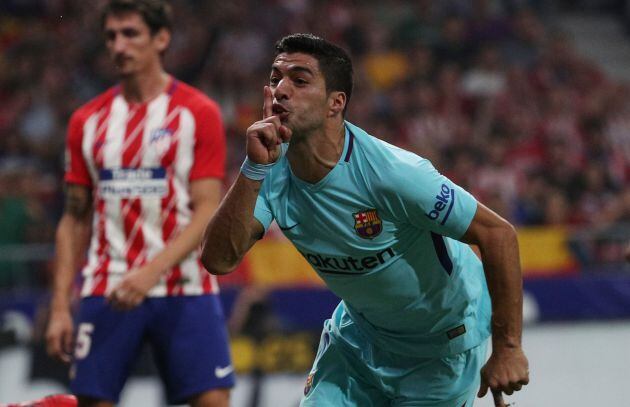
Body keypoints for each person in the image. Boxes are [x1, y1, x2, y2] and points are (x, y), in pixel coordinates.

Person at [201, 33, 529, 407]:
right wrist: (253, 168)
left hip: (440, 349)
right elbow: (218, 260)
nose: (281, 90)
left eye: (300, 80)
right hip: (359, 341)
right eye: (275, 78)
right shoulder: (269, 166)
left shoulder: (394, 174)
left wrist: (507, 348)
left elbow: (498, 233)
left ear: (335, 103)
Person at [44, 1, 233, 406]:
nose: (118, 45)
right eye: (111, 36)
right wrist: (60, 306)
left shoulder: (199, 113)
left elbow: (207, 210)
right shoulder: (86, 122)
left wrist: (150, 272)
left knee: (214, 401)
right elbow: (74, 218)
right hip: (106, 285)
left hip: (183, 284)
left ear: (161, 39)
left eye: (130, 33)